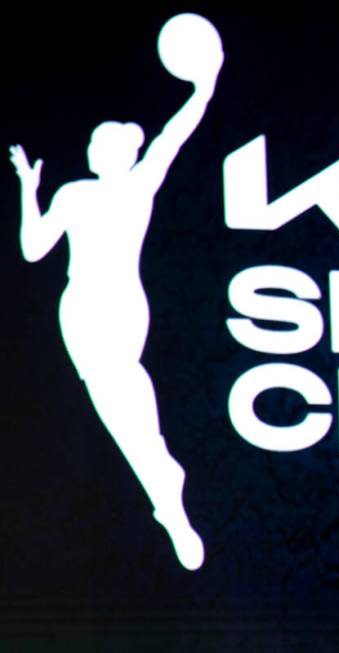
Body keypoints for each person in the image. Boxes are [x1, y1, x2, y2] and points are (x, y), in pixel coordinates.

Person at [8, 26, 222, 570]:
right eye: (93, 145)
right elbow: (33, 251)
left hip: (124, 305)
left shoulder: (139, 182)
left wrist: (204, 87)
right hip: (79, 308)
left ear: (125, 152)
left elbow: (174, 135)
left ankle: (164, 486)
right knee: (117, 405)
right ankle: (164, 488)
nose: (96, 151)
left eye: (107, 145)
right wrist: (28, 194)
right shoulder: (73, 193)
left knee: (124, 398)